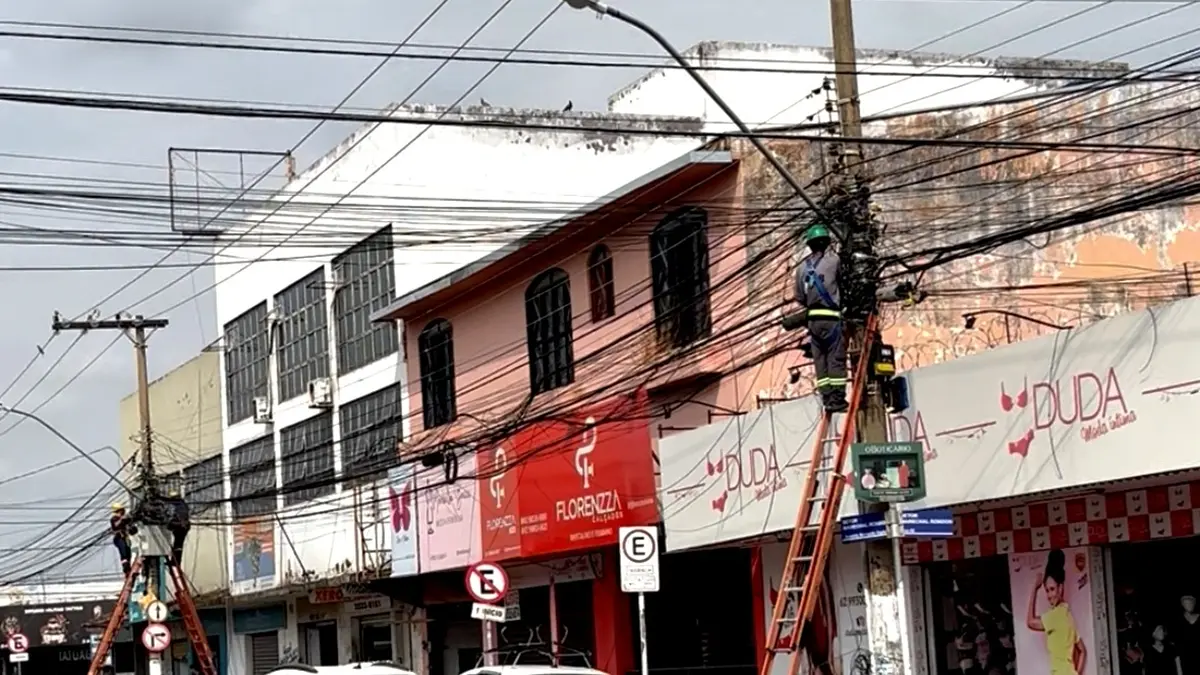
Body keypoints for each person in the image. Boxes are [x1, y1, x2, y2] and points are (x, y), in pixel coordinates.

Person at [794, 223, 848, 413]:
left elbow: (800, 297)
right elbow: (844, 282)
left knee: (820, 361)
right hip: (832, 319)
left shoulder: (801, 269)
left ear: (809, 245)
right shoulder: (834, 261)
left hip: (813, 323)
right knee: (835, 359)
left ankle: (826, 399)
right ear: (826, 243)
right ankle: (838, 399)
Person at [1027, 548, 1087, 675]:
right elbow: (1082, 651)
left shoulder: (1056, 616)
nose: (1049, 595)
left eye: (1052, 589)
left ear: (1061, 587)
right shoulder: (1067, 615)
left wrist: (1035, 588)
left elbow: (1030, 622)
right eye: (1047, 590)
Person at [166, 488, 191, 566]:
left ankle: (175, 562)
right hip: (184, 527)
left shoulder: (175, 505)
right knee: (178, 545)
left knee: (177, 545)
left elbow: (171, 515)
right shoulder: (183, 504)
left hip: (179, 527)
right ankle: (175, 561)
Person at [109, 503, 136, 576]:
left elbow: (131, 527)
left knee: (128, 553)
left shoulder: (125, 520)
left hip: (125, 538)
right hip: (119, 538)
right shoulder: (114, 519)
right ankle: (126, 568)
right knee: (123, 552)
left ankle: (128, 568)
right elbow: (116, 525)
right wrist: (121, 519)